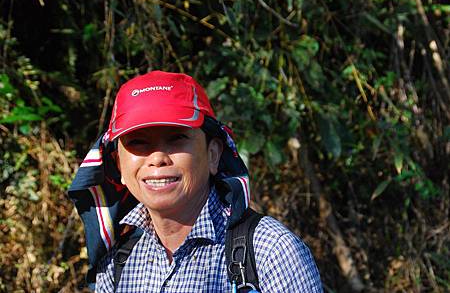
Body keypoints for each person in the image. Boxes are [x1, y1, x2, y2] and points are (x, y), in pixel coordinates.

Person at [69, 71, 323, 292]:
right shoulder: (117, 263)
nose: (157, 158)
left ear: (213, 154)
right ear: (119, 165)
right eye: (138, 142)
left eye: (177, 138)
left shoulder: (270, 252)